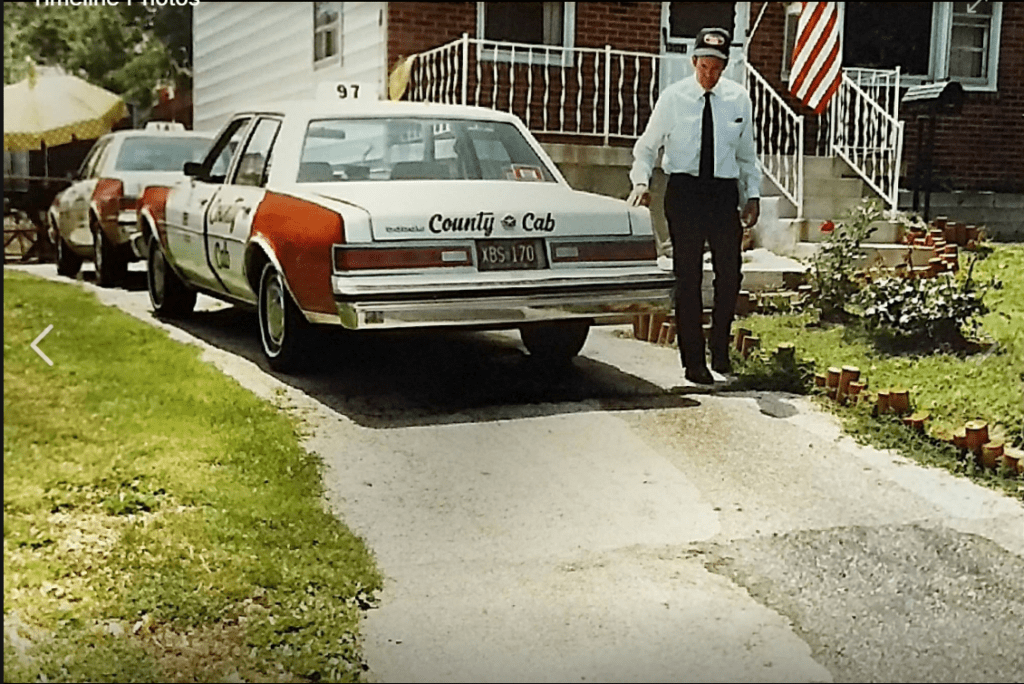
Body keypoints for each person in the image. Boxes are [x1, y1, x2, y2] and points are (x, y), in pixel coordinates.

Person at [627, 26, 761, 385]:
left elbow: (748, 155)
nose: (710, 74)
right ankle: (693, 360)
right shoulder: (674, 98)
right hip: (684, 192)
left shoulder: (738, 99)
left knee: (729, 275)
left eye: (717, 67)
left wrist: (753, 195)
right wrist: (641, 182)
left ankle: (720, 348)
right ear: (694, 62)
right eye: (704, 66)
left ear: (725, 65)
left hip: (721, 194)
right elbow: (646, 147)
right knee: (688, 277)